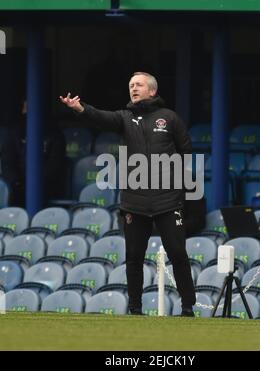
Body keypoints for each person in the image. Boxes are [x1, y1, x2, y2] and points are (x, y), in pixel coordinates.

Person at [60, 72, 197, 316]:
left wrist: (175, 182)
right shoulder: (124, 118)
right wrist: (81, 108)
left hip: (167, 199)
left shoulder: (169, 118)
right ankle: (135, 308)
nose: (133, 88)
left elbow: (186, 150)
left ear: (152, 91)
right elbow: (101, 118)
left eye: (139, 85)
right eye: (131, 85)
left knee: (177, 253)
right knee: (134, 256)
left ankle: (188, 307)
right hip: (134, 201)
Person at [2, 100, 67, 207]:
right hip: (17, 190)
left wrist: (35, 184)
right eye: (24, 107)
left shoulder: (54, 134)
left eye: (29, 108)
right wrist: (17, 183)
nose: (25, 112)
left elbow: (54, 167)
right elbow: (8, 163)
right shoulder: (14, 133)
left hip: (45, 189)